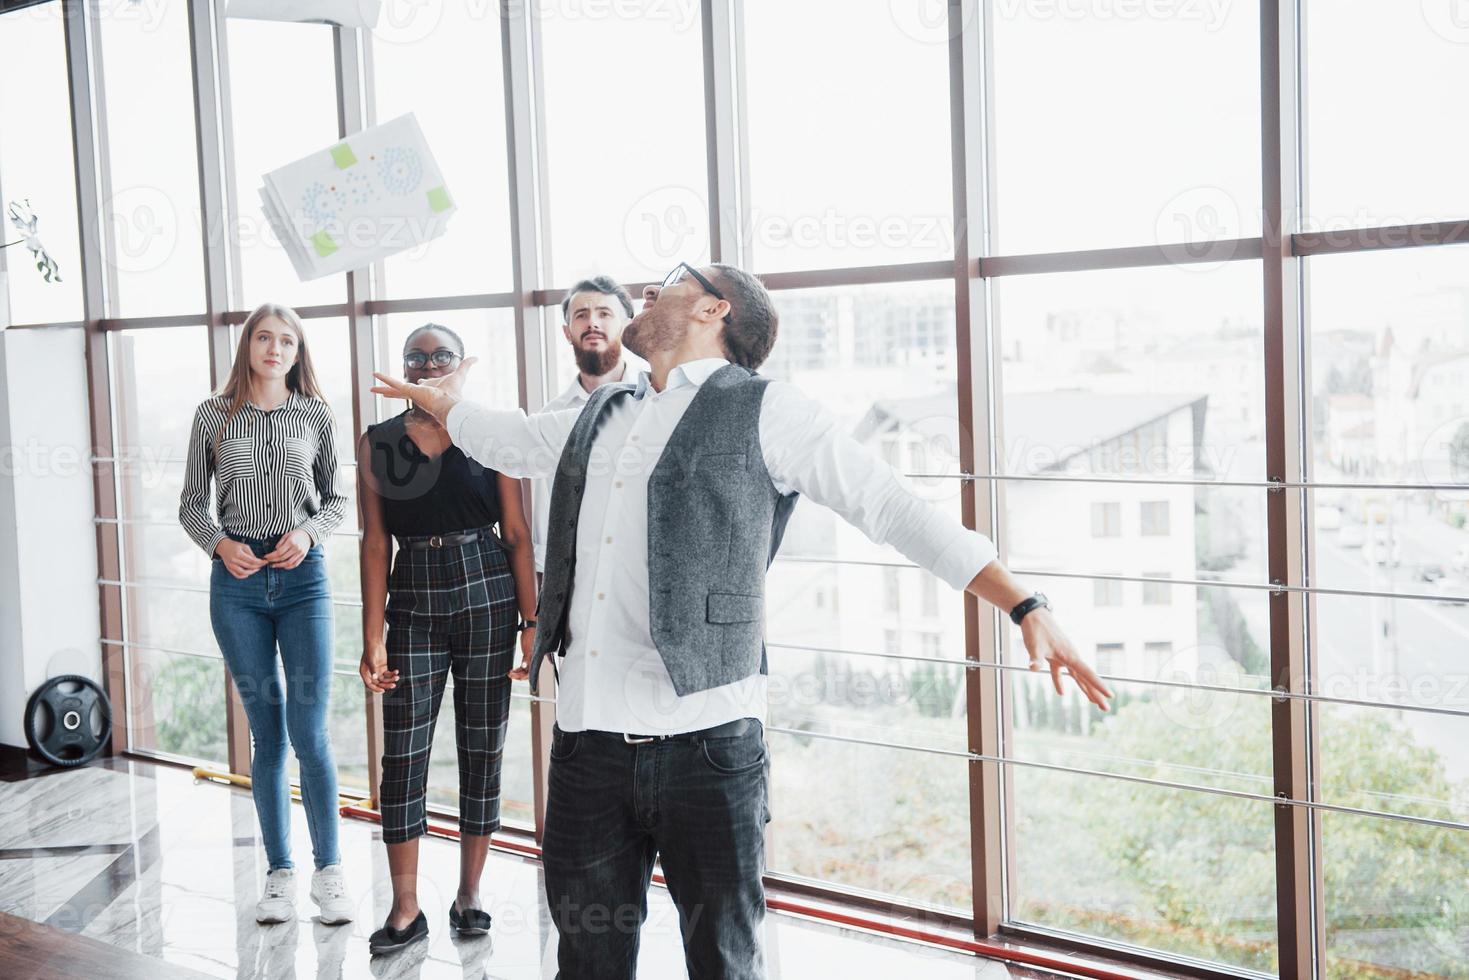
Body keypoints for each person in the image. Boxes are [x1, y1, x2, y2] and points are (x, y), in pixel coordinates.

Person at [370, 262, 1113, 979]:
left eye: (673, 281)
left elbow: (888, 505)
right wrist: (439, 401)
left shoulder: (769, 408)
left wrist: (1023, 602)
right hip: (586, 747)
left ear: (712, 309)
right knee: (587, 962)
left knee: (724, 962)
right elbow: (506, 439)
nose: (648, 290)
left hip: (709, 747)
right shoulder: (600, 410)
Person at [356, 323, 539, 954]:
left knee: (482, 746)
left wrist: (532, 624)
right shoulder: (379, 440)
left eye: (442, 356)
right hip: (413, 593)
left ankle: (470, 895)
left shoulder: (488, 430)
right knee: (402, 754)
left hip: (488, 587)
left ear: (463, 364)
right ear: (402, 368)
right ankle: (405, 909)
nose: (428, 365)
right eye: (416, 357)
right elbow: (375, 539)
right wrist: (371, 633)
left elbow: (517, 534)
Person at [178, 301, 353, 926]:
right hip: (237, 586)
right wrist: (221, 544)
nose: (275, 349)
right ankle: (280, 875)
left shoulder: (316, 413)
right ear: (248, 346)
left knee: (310, 732)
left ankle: (329, 873)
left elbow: (336, 500)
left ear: (298, 352)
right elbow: (193, 503)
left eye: (287, 341)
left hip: (304, 581)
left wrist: (306, 536)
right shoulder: (213, 414)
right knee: (268, 735)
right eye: (264, 338)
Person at [531, 276, 633, 574]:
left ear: (625, 327)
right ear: (567, 332)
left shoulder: (655, 398)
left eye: (604, 313)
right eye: (581, 315)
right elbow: (547, 506)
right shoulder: (552, 415)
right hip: (577, 575)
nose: (592, 323)